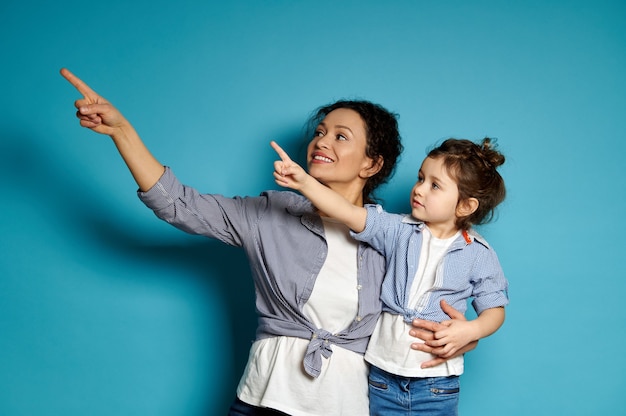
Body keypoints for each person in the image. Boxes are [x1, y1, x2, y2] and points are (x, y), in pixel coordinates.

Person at [60, 67, 477, 416]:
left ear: (372, 162)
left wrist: (467, 334)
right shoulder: (268, 213)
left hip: (347, 404)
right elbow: (178, 204)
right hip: (263, 399)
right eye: (320, 132)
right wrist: (122, 132)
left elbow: (430, 313)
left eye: (341, 136)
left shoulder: (401, 236)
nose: (322, 142)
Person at [272, 137, 509, 415]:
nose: (419, 189)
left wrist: (471, 330)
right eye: (420, 178)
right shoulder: (397, 230)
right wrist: (304, 182)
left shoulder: (479, 253)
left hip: (436, 383)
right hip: (382, 376)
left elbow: (495, 309)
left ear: (465, 206)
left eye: (434, 185)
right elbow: (347, 212)